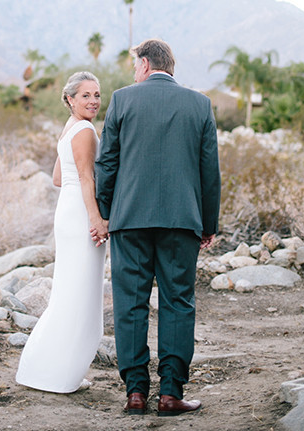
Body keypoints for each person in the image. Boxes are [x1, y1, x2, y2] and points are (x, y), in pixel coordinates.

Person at [93, 39, 221, 417]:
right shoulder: (200, 105)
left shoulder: (122, 99)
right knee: (177, 302)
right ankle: (170, 393)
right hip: (181, 221)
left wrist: (105, 213)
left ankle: (135, 393)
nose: (134, 72)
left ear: (146, 64)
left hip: (129, 220)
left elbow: (107, 165)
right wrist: (207, 223)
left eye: (136, 65)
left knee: (130, 305)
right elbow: (209, 172)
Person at [16, 71, 108, 392]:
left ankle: (47, 369)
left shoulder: (69, 128)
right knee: (79, 296)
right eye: (86, 95)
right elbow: (86, 179)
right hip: (82, 215)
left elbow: (59, 178)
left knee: (69, 293)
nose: (93, 101)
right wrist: (96, 219)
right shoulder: (84, 131)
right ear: (69, 99)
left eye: (97, 95)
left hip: (66, 212)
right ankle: (58, 374)